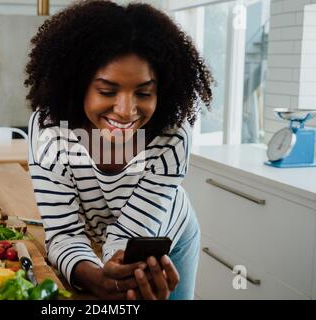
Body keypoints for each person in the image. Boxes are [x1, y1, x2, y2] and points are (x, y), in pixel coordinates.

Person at [25, 0, 213, 300]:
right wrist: (97, 277)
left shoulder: (171, 138)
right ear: (78, 84)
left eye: (143, 92)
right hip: (95, 235)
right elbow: (64, 234)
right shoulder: (50, 131)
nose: (126, 111)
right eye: (107, 91)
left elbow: (131, 236)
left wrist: (119, 272)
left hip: (165, 238)